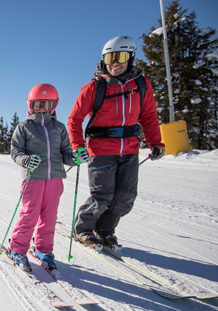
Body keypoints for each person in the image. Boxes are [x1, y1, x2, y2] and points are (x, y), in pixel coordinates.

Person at [68, 36, 165, 250]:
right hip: (101, 149)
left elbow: (149, 116)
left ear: (130, 57)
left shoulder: (141, 84)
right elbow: (74, 119)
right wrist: (78, 146)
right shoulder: (94, 87)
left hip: (129, 149)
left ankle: (104, 230)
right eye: (110, 57)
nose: (115, 63)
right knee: (102, 196)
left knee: (125, 197)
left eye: (120, 57)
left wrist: (155, 142)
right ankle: (82, 229)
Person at [7, 84, 80, 272]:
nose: (42, 109)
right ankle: (17, 248)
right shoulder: (24, 127)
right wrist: (26, 160)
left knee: (49, 216)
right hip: (33, 178)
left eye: (47, 105)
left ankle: (43, 249)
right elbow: (15, 152)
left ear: (54, 105)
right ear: (30, 105)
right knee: (29, 214)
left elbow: (66, 153)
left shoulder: (59, 128)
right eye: (38, 104)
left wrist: (76, 158)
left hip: (55, 178)